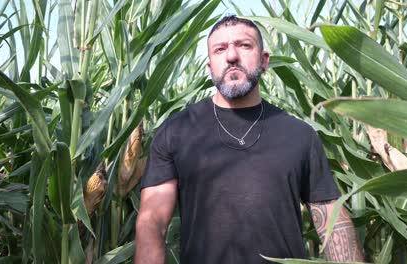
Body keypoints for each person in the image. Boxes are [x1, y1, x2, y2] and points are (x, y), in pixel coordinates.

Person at [135, 15, 364, 264]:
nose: (232, 56)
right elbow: (152, 223)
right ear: (210, 67)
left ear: (264, 60)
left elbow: (332, 222)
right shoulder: (176, 132)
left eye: (244, 45)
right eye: (220, 49)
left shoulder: (300, 135)